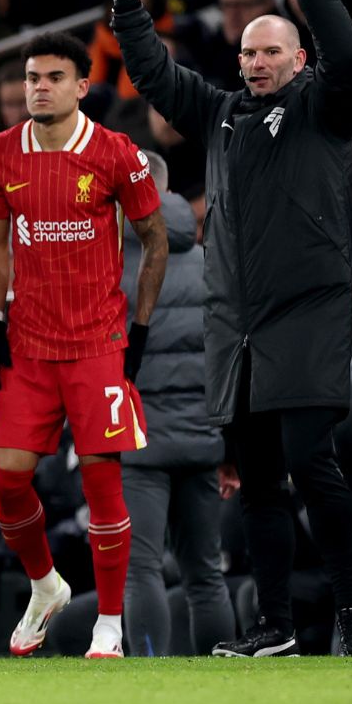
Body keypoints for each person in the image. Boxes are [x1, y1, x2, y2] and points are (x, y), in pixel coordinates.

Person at [102, 0, 352, 658]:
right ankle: (278, 626)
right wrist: (126, 2)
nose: (256, 62)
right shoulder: (222, 115)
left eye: (269, 52)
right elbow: (157, 78)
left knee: (310, 462)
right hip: (238, 323)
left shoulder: (325, 108)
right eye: (248, 52)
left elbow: (350, 53)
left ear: (296, 58)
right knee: (258, 480)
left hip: (308, 312)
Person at [0, 31, 167, 660]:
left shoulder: (116, 154)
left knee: (103, 486)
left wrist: (138, 331)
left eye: (54, 77)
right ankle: (46, 585)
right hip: (28, 345)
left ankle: (108, 623)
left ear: (82, 85)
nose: (40, 88)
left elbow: (155, 241)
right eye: (32, 78)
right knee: (7, 481)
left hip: (97, 343)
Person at [116, 152, 235, 657]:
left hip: (137, 438)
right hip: (204, 437)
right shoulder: (214, 263)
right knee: (205, 572)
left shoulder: (110, 264)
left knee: (139, 567)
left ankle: (148, 669)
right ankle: (223, 670)